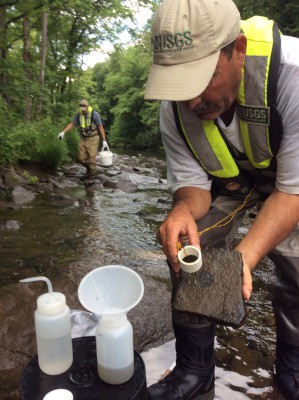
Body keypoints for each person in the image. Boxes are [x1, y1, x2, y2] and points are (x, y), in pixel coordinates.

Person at [144, 0, 299, 399]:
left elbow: (291, 190)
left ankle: (293, 368)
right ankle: (194, 372)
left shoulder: (294, 77)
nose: (192, 102)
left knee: (295, 258)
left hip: (291, 182)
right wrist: (180, 210)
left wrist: (241, 261)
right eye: (180, 87)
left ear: (239, 49)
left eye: (203, 78)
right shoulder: (174, 109)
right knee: (191, 245)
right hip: (229, 182)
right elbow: (193, 189)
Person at [58, 99, 108, 185]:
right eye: (81, 106)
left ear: (87, 106)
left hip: (94, 138)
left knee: (92, 157)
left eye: (84, 106)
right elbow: (72, 124)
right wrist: (63, 132)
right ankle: (89, 169)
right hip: (83, 138)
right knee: (80, 158)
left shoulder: (94, 114)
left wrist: (104, 140)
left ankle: (91, 176)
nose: (82, 108)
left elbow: (100, 127)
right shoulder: (79, 115)